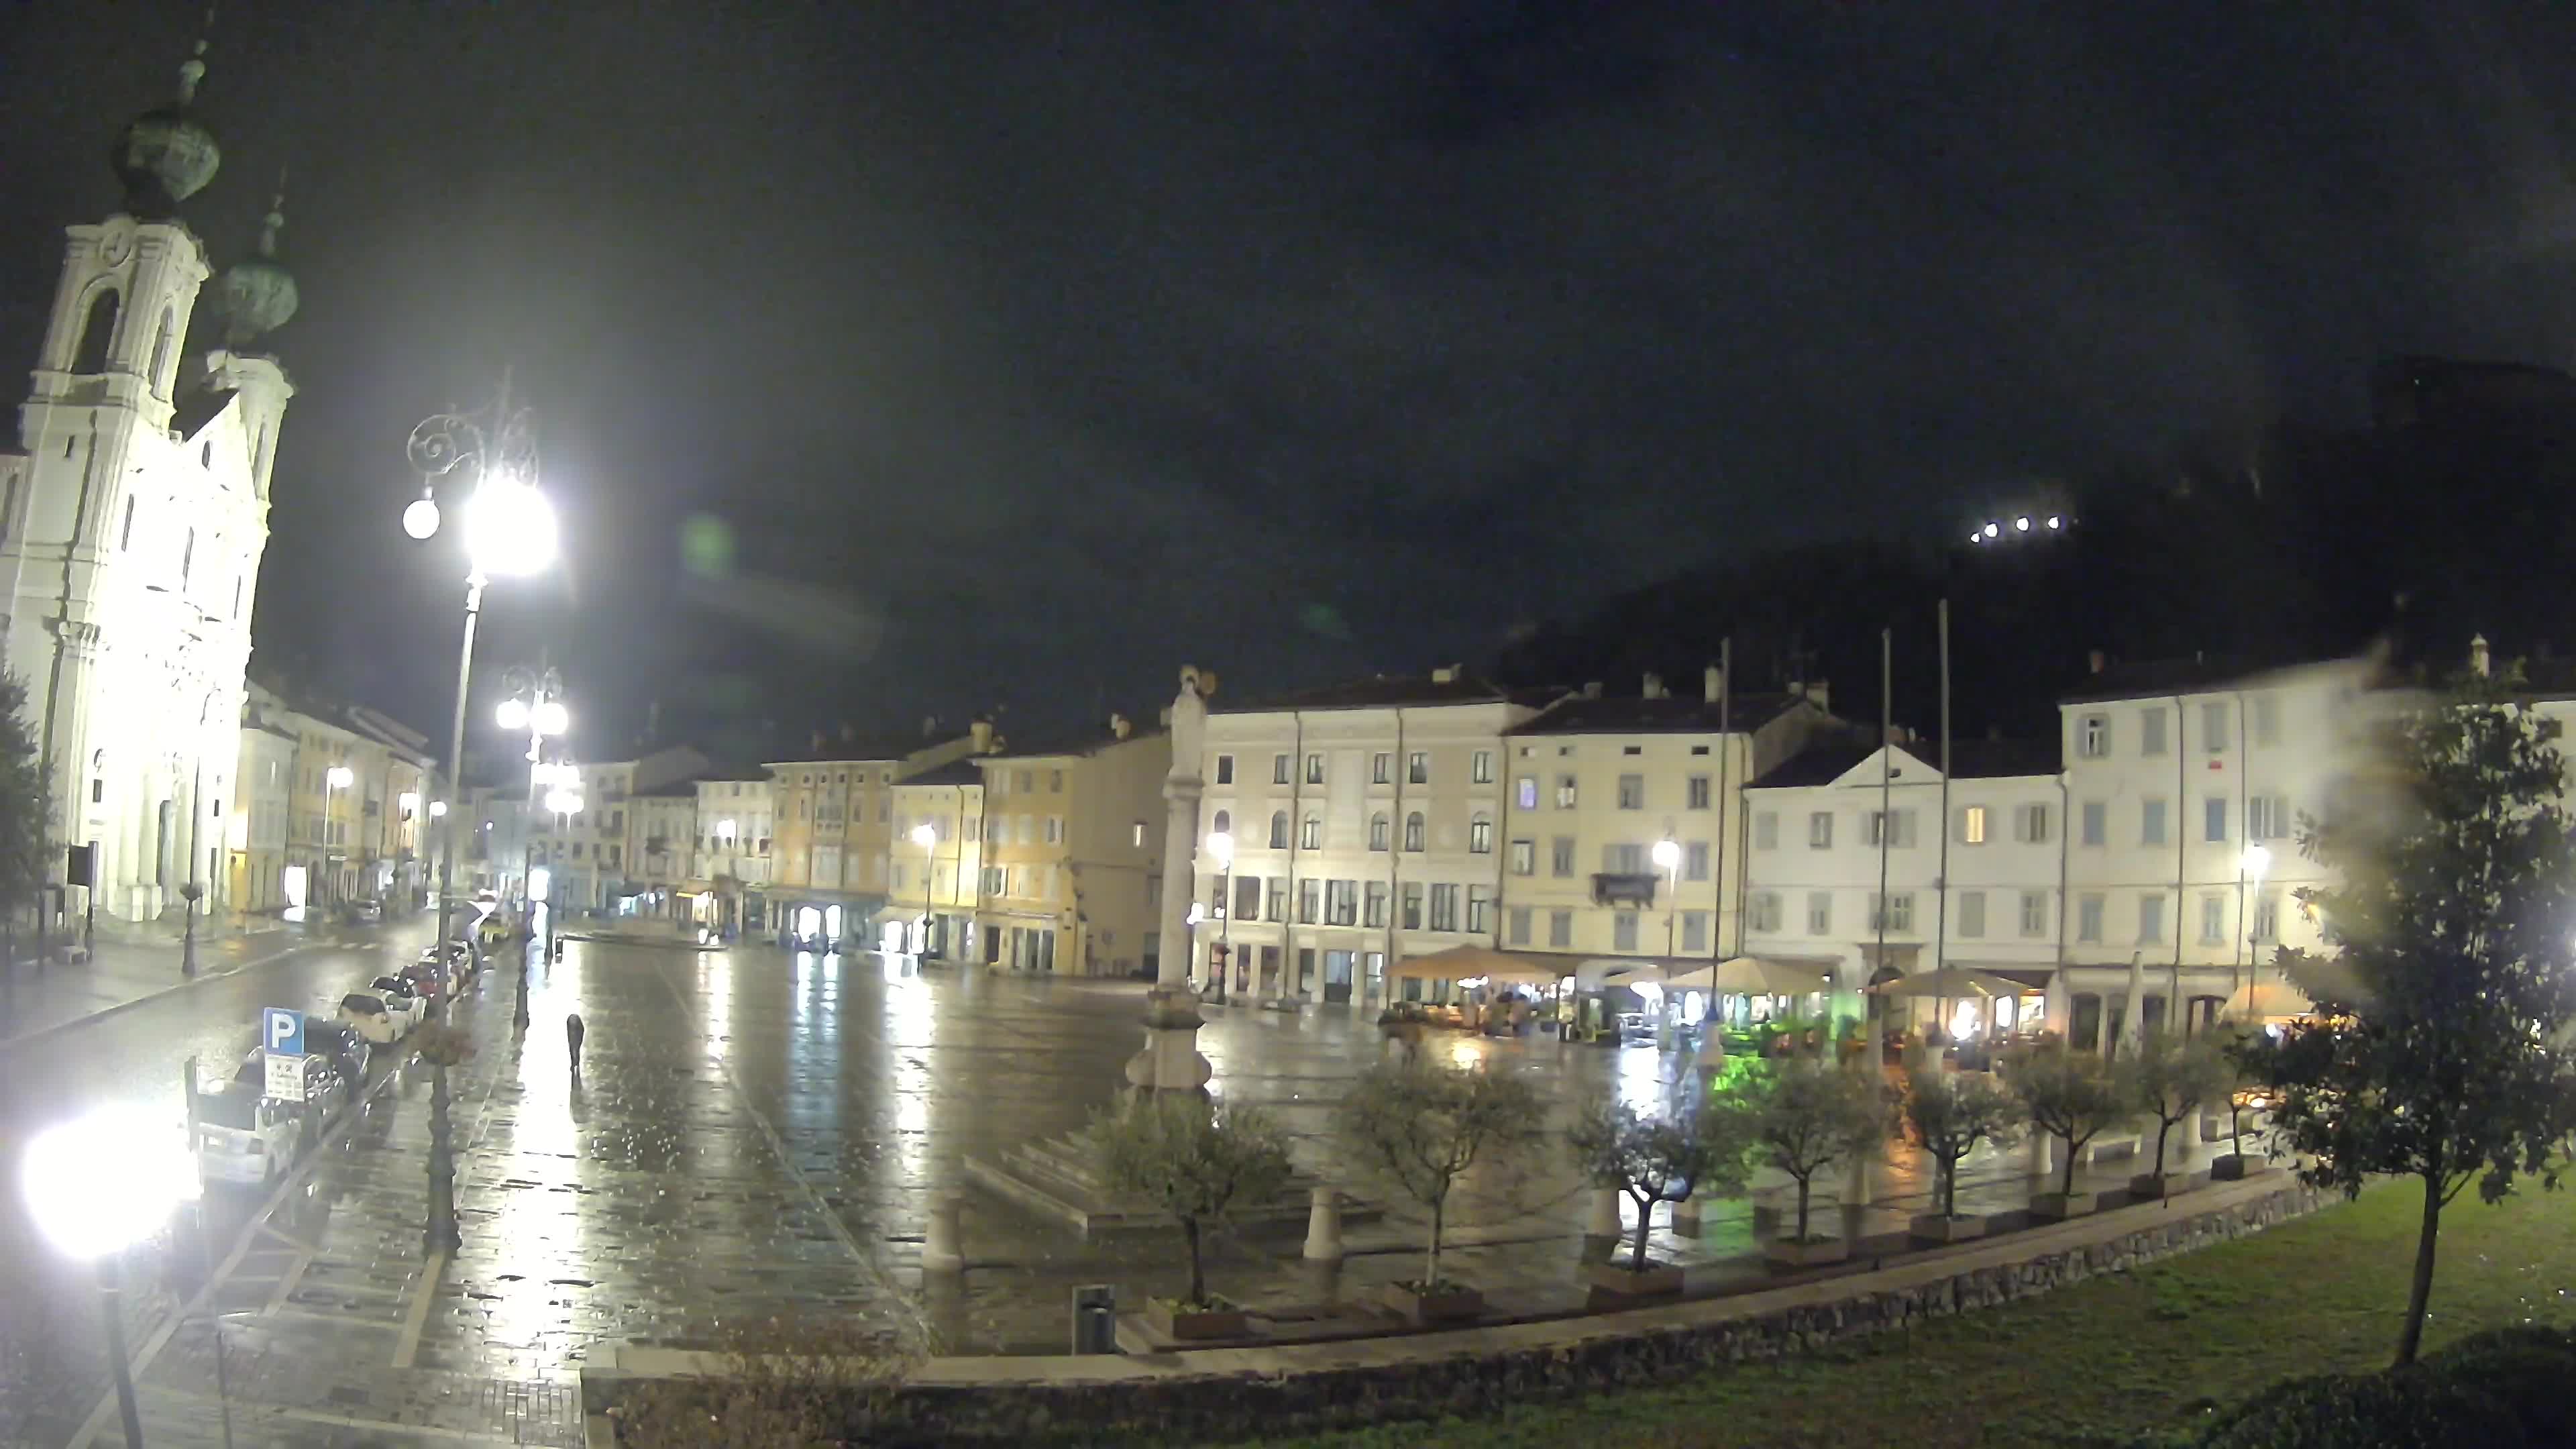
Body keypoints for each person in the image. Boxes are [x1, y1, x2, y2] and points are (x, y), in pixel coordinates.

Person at [566, 1012, 585, 1076]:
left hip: (576, 1028)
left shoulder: (575, 1028)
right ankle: (575, 1063)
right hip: (575, 1028)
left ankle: (575, 1063)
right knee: (574, 1048)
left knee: (574, 1048)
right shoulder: (573, 1028)